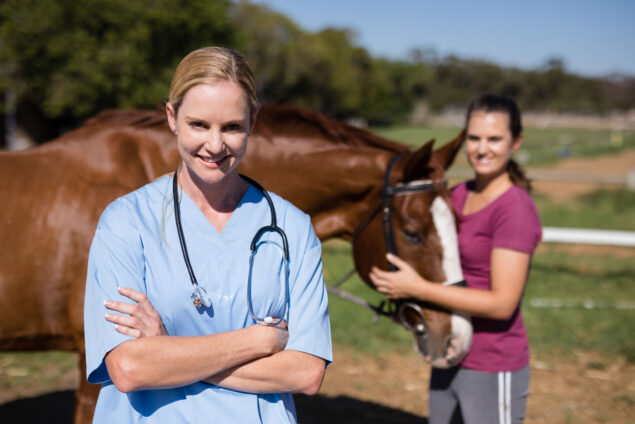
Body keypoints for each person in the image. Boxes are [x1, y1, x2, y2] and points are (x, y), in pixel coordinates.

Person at [84, 46, 332, 423]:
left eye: (231, 127)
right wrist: (258, 341)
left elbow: (306, 372)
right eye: (199, 124)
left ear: (253, 122)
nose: (215, 145)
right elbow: (129, 369)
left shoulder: (291, 227)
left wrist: (167, 351)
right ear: (172, 117)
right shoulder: (125, 222)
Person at [370, 94, 541, 424]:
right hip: (449, 350)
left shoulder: (514, 209)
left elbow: (503, 303)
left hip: (493, 361)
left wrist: (417, 288)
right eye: (474, 138)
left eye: (494, 139)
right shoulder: (457, 195)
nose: (481, 148)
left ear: (516, 142)